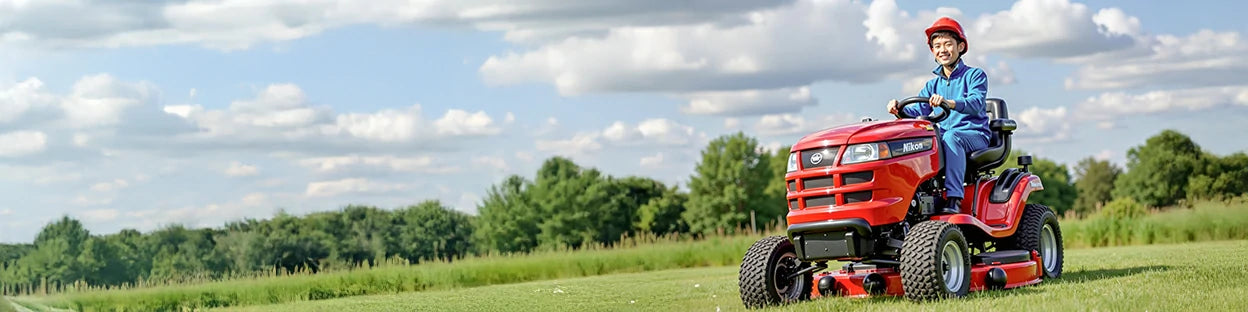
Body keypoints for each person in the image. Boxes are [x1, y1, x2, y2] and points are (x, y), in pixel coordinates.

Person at [886, 17, 991, 215]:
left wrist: (949, 103)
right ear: (933, 51)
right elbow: (917, 113)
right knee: (921, 140)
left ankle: (954, 199)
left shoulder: (975, 75)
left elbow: (976, 103)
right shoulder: (931, 85)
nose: (943, 50)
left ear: (960, 47)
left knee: (951, 137)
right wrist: (899, 110)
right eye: (937, 46)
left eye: (948, 44)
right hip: (944, 136)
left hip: (974, 135)